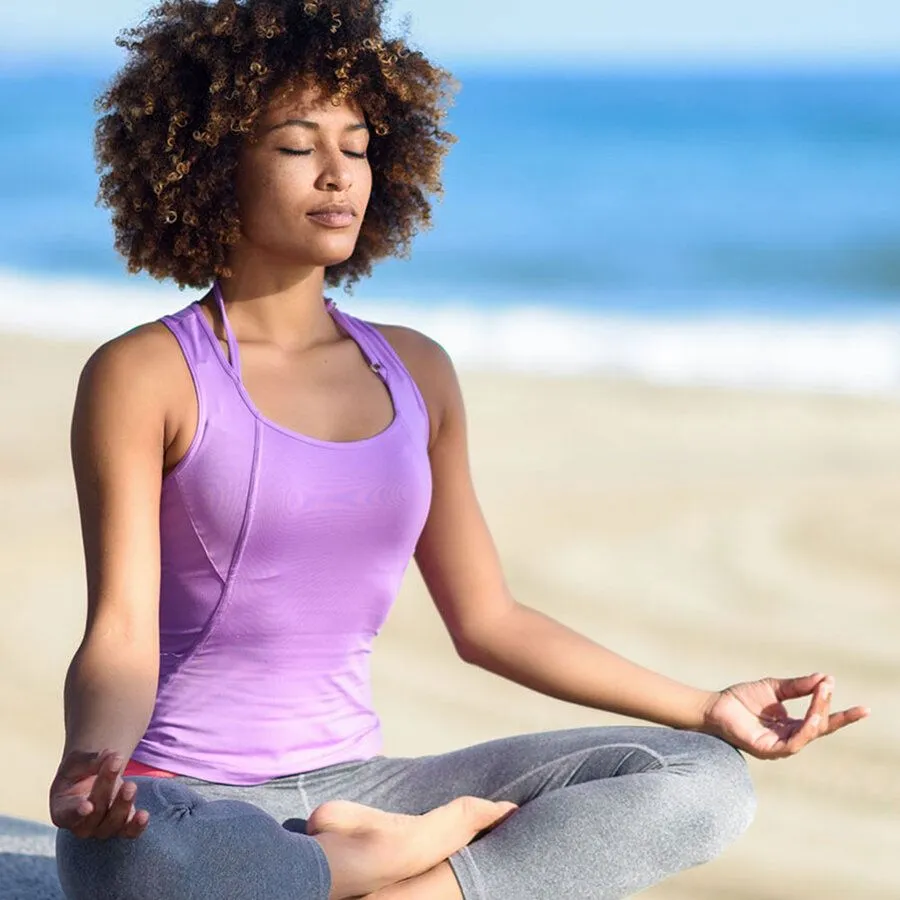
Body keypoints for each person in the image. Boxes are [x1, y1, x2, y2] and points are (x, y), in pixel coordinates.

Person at [49, 1, 870, 898]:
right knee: (130, 866)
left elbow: (490, 622)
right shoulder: (148, 372)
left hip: (362, 784)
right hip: (192, 799)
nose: (337, 176)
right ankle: (395, 855)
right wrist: (93, 764)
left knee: (704, 781)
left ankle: (395, 876)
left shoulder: (417, 372)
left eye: (357, 147)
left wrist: (707, 707)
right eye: (297, 147)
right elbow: (121, 631)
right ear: (212, 166)